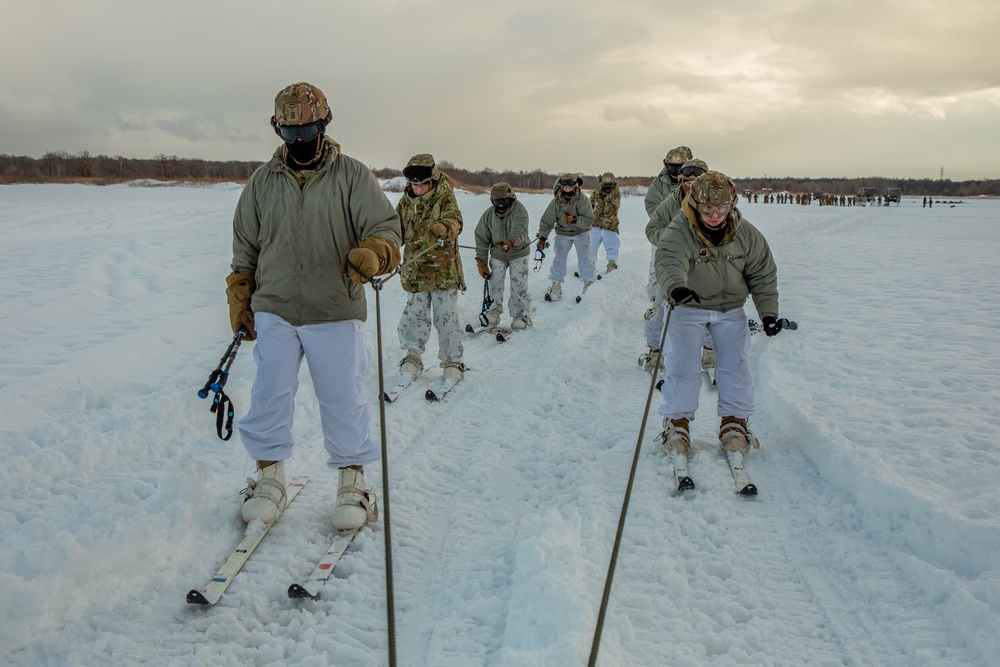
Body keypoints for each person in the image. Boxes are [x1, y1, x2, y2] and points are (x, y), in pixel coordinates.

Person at [227, 82, 401, 530]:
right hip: (276, 306)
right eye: (291, 133)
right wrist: (241, 298)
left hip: (334, 307)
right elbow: (246, 246)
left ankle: (353, 483)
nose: (301, 142)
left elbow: (386, 226)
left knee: (343, 398)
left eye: (309, 131)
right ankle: (269, 480)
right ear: (278, 130)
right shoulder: (263, 182)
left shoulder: (352, 175)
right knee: (268, 395)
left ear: (324, 124)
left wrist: (375, 252)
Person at [654, 170, 782, 457]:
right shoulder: (680, 228)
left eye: (722, 208)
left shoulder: (746, 233)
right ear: (696, 205)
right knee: (682, 366)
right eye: (708, 209)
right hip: (688, 305)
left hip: (729, 310)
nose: (715, 215)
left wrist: (768, 314)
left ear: (732, 204)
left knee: (735, 366)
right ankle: (677, 423)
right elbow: (669, 259)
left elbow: (762, 274)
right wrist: (676, 288)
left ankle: (734, 423)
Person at [395, 154, 467, 381]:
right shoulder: (406, 202)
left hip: (442, 270)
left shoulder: (445, 196)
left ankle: (452, 361)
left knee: (445, 315)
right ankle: (412, 356)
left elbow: (455, 220)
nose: (417, 189)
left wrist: (443, 228)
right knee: (414, 314)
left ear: (432, 180)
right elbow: (396, 228)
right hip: (415, 270)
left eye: (422, 184)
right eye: (413, 184)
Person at [639, 158, 710, 373]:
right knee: (663, 307)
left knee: (710, 308)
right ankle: (654, 350)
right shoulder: (672, 202)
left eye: (696, 180)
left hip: (706, 264)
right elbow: (653, 228)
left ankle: (709, 350)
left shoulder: (717, 198)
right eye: (687, 180)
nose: (691, 184)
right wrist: (672, 240)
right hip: (674, 264)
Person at [474, 182, 533, 329]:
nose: (500, 205)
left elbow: (520, 229)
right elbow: (481, 238)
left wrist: (511, 241)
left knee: (518, 284)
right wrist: (482, 262)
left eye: (503, 201)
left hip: (518, 252)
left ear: (510, 199)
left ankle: (521, 315)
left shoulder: (519, 210)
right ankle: (493, 312)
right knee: (495, 283)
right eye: (497, 202)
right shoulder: (488, 215)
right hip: (498, 254)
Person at [643, 146, 693, 313]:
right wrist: (664, 223)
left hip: (690, 235)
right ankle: (656, 303)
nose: (675, 170)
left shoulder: (694, 180)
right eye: (671, 166)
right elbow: (651, 205)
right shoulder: (658, 184)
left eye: (678, 167)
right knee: (657, 268)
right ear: (666, 164)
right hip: (664, 233)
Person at [536, 173, 597, 301]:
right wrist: (542, 238)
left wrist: (575, 219)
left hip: (581, 232)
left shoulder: (583, 199)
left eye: (570, 186)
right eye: (565, 186)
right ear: (561, 186)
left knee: (585, 259)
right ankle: (556, 286)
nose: (568, 188)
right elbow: (547, 221)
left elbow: (589, 220)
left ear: (575, 186)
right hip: (563, 233)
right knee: (559, 259)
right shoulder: (556, 201)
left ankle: (589, 286)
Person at [590, 172, 622, 273]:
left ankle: (611, 264)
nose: (607, 187)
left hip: (610, 225)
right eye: (605, 184)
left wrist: (603, 202)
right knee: (591, 245)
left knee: (612, 245)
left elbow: (612, 208)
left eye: (609, 184)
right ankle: (590, 265)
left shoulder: (616, 194)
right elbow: (589, 206)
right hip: (595, 224)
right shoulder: (595, 194)